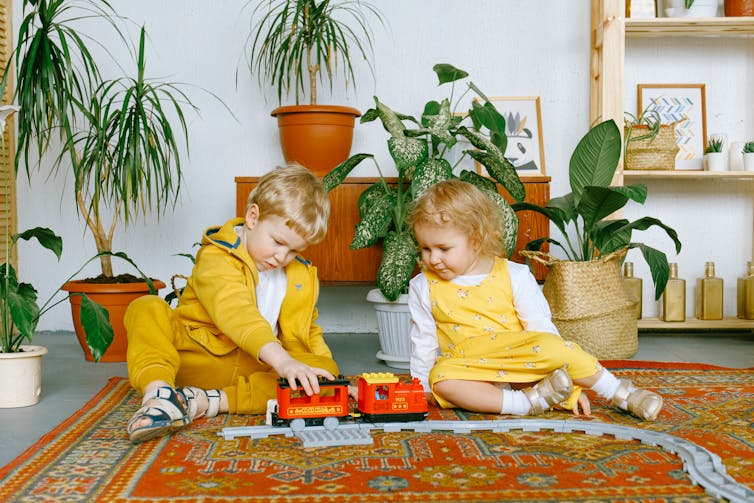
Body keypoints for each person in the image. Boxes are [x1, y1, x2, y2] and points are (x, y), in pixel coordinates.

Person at [407, 179, 663, 420]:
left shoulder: (514, 274)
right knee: (441, 379)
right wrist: (420, 385)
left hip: (523, 362)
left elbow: (541, 330)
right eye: (426, 248)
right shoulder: (423, 286)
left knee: (553, 346)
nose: (433, 259)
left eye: (444, 249)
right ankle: (525, 404)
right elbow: (423, 341)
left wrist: (570, 389)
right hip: (471, 369)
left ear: (476, 240)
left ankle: (620, 393)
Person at [125, 163, 338, 443]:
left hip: (254, 368)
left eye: (295, 250)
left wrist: (332, 381)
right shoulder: (217, 257)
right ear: (252, 217)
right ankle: (161, 394)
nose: (282, 256)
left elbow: (308, 330)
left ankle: (206, 401)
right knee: (146, 307)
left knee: (324, 374)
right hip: (197, 356)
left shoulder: (300, 274)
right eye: (277, 242)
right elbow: (236, 312)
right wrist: (283, 361)